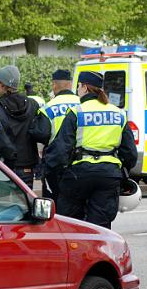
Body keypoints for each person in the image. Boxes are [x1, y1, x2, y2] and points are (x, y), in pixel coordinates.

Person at [43, 71, 138, 229]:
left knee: (72, 222)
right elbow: (130, 153)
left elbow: (60, 151)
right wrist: (121, 173)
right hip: (109, 175)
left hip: (80, 174)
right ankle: (99, 251)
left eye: (79, 87)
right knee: (101, 226)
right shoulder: (119, 113)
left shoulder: (76, 112)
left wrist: (54, 174)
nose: (77, 91)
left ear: (85, 88)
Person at [31, 69, 81, 198]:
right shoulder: (82, 104)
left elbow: (41, 134)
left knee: (56, 200)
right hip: (81, 160)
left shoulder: (48, 108)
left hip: (57, 162)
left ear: (54, 85)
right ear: (70, 84)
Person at [0, 65, 41, 188]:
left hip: (5, 164)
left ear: (3, 84)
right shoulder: (33, 104)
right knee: (26, 204)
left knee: (5, 204)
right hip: (27, 165)